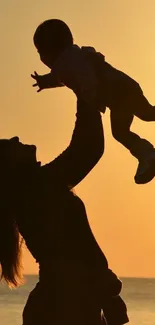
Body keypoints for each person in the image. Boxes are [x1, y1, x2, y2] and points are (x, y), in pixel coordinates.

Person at [0, 100, 129, 325]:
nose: (16, 139)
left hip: (67, 299)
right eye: (8, 145)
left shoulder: (36, 188)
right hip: (66, 302)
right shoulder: (38, 186)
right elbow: (87, 149)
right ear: (8, 167)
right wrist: (85, 91)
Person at [32, 18, 155, 185]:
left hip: (118, 92)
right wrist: (45, 82)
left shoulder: (66, 62)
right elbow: (63, 77)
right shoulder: (73, 57)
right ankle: (147, 155)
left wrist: (90, 97)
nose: (41, 58)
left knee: (127, 128)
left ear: (49, 51)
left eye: (40, 52)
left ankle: (147, 154)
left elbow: (83, 76)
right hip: (123, 90)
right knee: (144, 116)